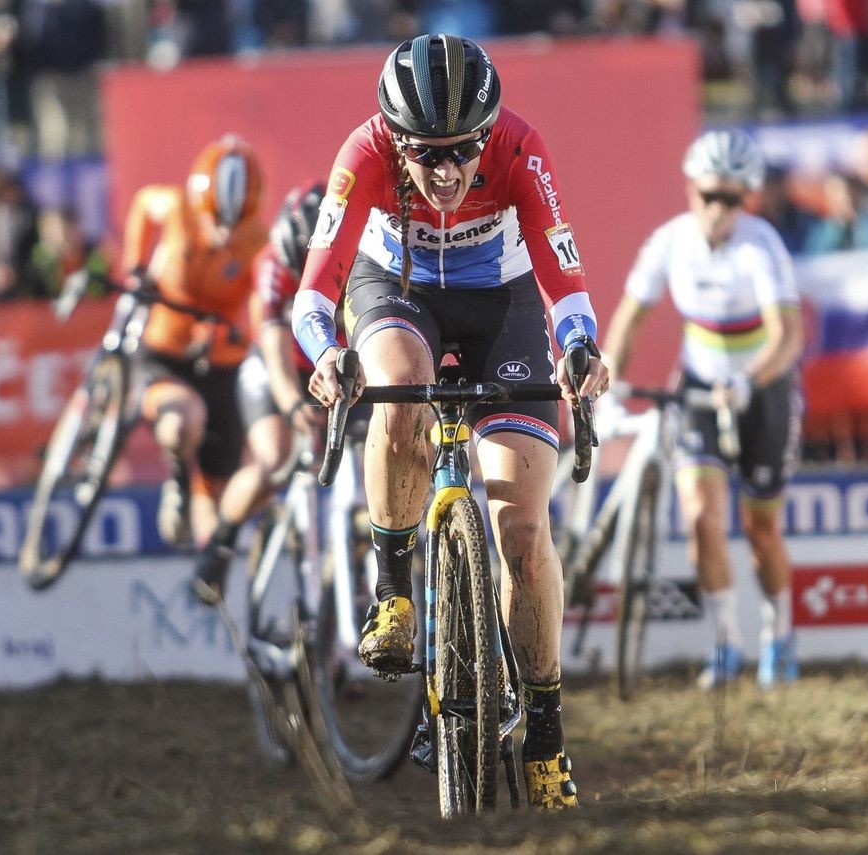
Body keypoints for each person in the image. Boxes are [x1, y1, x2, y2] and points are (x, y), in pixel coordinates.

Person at [290, 34, 609, 809]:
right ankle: (394, 590)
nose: (446, 172)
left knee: (524, 532)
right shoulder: (361, 153)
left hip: (499, 304)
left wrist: (578, 348)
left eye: (463, 151)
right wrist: (327, 355)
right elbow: (311, 296)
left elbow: (564, 280)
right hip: (394, 289)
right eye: (425, 154)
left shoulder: (522, 149)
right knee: (399, 385)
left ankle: (544, 733)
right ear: (394, 141)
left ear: (488, 133)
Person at [601, 129, 804, 690]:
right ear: (691, 191)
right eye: (709, 196)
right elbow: (629, 319)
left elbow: (786, 335)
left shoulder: (760, 246)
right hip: (697, 387)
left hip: (761, 389)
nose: (719, 210)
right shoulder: (670, 241)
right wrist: (608, 379)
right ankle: (725, 643)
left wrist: (749, 379)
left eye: (732, 199)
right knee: (700, 518)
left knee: (760, 529)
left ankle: (778, 636)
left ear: (748, 200)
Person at [120, 134, 269, 566]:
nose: (224, 231)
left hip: (221, 363)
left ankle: (208, 575)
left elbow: (260, 303)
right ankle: (177, 478)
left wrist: (238, 333)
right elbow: (143, 206)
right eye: (214, 220)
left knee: (220, 495)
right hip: (164, 351)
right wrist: (134, 269)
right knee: (184, 419)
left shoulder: (257, 241)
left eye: (235, 221)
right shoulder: (177, 209)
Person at [190, 180, 326, 603]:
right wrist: (289, 404)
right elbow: (272, 343)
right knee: (276, 460)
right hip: (275, 367)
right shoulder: (271, 263)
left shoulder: (362, 257)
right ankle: (220, 544)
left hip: (330, 365)